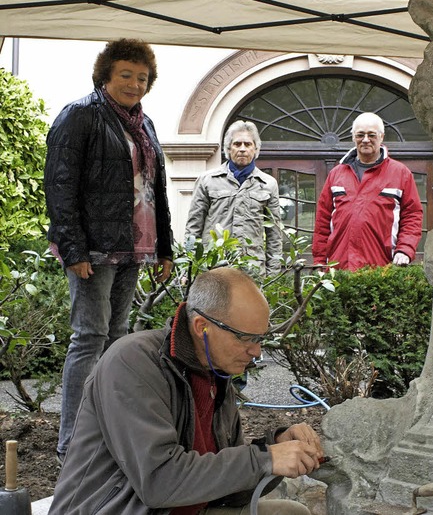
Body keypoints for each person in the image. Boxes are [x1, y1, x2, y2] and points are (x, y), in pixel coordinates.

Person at [49, 267, 323, 515]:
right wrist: (263, 460)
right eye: (246, 338)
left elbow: (229, 491)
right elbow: (159, 481)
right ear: (202, 327)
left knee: (290, 513)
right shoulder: (132, 362)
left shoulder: (218, 373)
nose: (256, 351)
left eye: (260, 338)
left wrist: (274, 448)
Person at [44, 39, 174, 464]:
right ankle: (70, 444)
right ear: (105, 75)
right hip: (93, 250)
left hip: (134, 247)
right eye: (126, 75)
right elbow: (60, 187)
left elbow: (157, 190)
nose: (135, 84)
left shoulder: (145, 124)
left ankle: (104, 433)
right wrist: (73, 247)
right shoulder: (79, 115)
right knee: (89, 338)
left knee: (117, 339)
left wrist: (165, 248)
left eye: (142, 78)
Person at [312, 112, 423, 271]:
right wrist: (319, 262)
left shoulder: (400, 173)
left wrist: (405, 249)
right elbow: (322, 222)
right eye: (360, 135)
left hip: (382, 267)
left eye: (371, 134)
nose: (365, 139)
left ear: (381, 137)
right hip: (338, 269)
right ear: (353, 137)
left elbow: (412, 216)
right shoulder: (336, 174)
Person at [184, 120, 282, 276]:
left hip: (252, 267)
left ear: (255, 149)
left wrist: (273, 274)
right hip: (213, 265)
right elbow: (193, 227)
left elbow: (274, 234)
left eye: (248, 144)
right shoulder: (207, 180)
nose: (242, 149)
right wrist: (187, 270)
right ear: (228, 148)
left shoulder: (268, 184)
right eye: (237, 144)